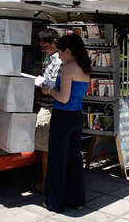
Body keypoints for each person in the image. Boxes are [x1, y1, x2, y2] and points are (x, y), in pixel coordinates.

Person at [40, 34, 90, 212]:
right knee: (75, 160)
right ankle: (76, 200)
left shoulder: (68, 68)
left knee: (57, 161)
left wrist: (49, 90)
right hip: (77, 116)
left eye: (60, 52)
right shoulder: (84, 68)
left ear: (68, 51)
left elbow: (63, 97)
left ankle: (54, 202)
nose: (59, 56)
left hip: (63, 117)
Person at [30, 28, 62, 193]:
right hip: (49, 105)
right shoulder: (53, 59)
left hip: (49, 107)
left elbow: (55, 84)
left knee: (45, 149)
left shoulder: (59, 60)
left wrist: (42, 86)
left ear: (55, 43)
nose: (43, 50)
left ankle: (46, 184)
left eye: (45, 46)